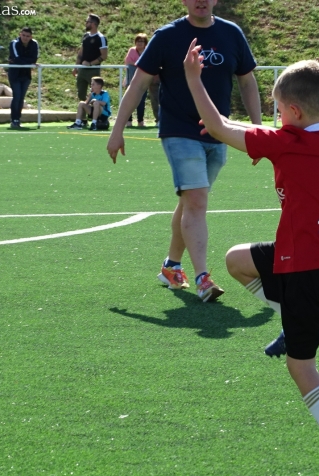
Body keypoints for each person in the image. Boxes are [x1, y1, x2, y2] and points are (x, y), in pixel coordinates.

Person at [184, 45, 319, 476]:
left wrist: (194, 79)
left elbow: (221, 126)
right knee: (237, 261)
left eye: (276, 109)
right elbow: (260, 132)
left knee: (300, 366)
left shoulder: (289, 140)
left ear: (292, 110)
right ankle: (289, 322)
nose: (273, 116)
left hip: (306, 267)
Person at [107, 0, 262, 303]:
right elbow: (138, 85)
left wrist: (259, 132)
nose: (200, 1)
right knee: (197, 199)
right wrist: (117, 130)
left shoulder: (232, 34)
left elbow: (247, 82)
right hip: (179, 131)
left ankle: (171, 266)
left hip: (219, 132)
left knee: (192, 201)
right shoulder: (167, 36)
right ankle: (204, 278)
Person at [8, 27, 39, 129]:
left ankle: (18, 119)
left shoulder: (34, 44)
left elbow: (34, 58)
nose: (25, 38)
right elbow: (16, 58)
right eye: (23, 35)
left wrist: (26, 61)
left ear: (31, 37)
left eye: (28, 36)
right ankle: (14, 119)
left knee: (21, 98)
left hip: (26, 75)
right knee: (16, 96)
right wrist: (28, 62)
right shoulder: (14, 43)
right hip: (15, 74)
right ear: (20, 34)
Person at [73, 14, 108, 101]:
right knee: (81, 94)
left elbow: (104, 56)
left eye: (87, 22)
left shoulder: (101, 38)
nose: (86, 23)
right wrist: (76, 66)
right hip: (82, 69)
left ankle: (96, 112)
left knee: (96, 93)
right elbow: (81, 53)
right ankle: (83, 112)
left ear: (93, 24)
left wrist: (90, 64)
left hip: (93, 70)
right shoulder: (85, 36)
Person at [123, 33, 150, 127]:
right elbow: (128, 62)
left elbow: (148, 63)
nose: (140, 43)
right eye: (138, 41)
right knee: (129, 100)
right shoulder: (132, 50)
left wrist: (136, 64)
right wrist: (139, 64)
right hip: (130, 80)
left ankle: (140, 121)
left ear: (145, 43)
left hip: (143, 81)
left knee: (141, 101)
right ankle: (129, 121)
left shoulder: (148, 51)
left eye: (142, 41)